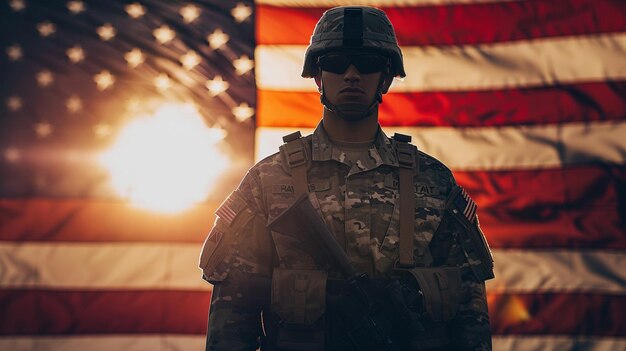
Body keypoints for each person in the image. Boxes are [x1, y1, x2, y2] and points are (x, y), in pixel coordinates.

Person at [199, 6, 494, 351]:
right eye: (338, 62)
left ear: (385, 77)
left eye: (366, 62)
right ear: (319, 76)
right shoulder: (269, 179)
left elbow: (469, 315)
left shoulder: (432, 181)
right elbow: (233, 314)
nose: (352, 74)